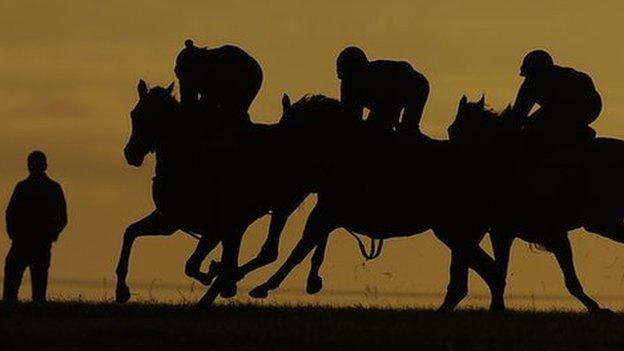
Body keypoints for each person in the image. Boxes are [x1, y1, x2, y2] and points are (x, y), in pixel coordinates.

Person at [3, 151, 67, 302]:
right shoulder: (50, 188)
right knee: (35, 287)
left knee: (24, 287)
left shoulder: (27, 187)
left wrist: (50, 235)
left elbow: (61, 217)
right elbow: (10, 214)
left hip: (31, 243)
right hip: (30, 243)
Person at [511, 49, 602, 150]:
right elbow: (518, 114)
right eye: (529, 75)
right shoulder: (530, 85)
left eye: (534, 74)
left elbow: (519, 116)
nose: (531, 78)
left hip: (586, 105)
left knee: (536, 127)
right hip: (580, 106)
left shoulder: (563, 79)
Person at [336, 46, 430, 133]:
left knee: (407, 130)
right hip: (395, 93)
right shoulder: (348, 83)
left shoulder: (376, 76)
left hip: (416, 87)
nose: (345, 81)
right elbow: (350, 115)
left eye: (348, 76)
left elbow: (389, 107)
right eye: (344, 77)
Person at [174, 39, 263, 130]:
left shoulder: (211, 69)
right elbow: (189, 104)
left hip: (245, 76)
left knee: (230, 116)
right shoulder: (192, 72)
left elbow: (206, 102)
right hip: (246, 74)